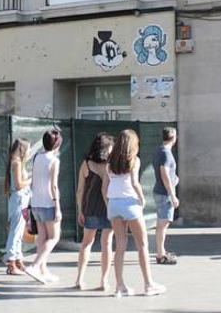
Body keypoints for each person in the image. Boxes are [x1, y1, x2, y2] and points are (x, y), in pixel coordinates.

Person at [104, 129, 166, 297]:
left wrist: (108, 203)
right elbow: (134, 182)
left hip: (113, 204)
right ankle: (148, 284)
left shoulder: (110, 162)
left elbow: (105, 186)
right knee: (143, 245)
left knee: (120, 245)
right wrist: (142, 199)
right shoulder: (134, 160)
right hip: (130, 203)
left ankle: (120, 286)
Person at [74, 133, 115, 291]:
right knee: (107, 244)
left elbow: (79, 190)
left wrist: (80, 211)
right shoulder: (110, 166)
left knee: (86, 244)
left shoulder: (86, 164)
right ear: (107, 148)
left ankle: (79, 279)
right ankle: (104, 281)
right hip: (107, 209)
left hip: (89, 209)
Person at [23, 130, 62, 284]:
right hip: (48, 203)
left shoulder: (37, 157)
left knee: (42, 237)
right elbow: (53, 185)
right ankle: (35, 265)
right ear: (57, 144)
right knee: (54, 237)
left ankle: (43, 271)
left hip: (36, 202)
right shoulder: (54, 161)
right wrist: (57, 207)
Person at [3, 138, 31, 276]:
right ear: (23, 149)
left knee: (19, 231)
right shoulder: (17, 162)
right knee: (15, 232)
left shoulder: (16, 162)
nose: (30, 151)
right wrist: (31, 179)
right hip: (19, 199)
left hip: (21, 199)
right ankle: (11, 262)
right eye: (28, 148)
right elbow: (19, 184)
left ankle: (18, 259)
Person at [152, 127, 179, 265]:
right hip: (164, 194)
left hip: (160, 191)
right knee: (163, 224)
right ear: (174, 137)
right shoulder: (166, 154)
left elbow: (167, 174)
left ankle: (161, 251)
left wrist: (175, 179)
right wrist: (172, 194)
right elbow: (164, 174)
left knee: (161, 223)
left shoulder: (159, 151)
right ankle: (160, 254)